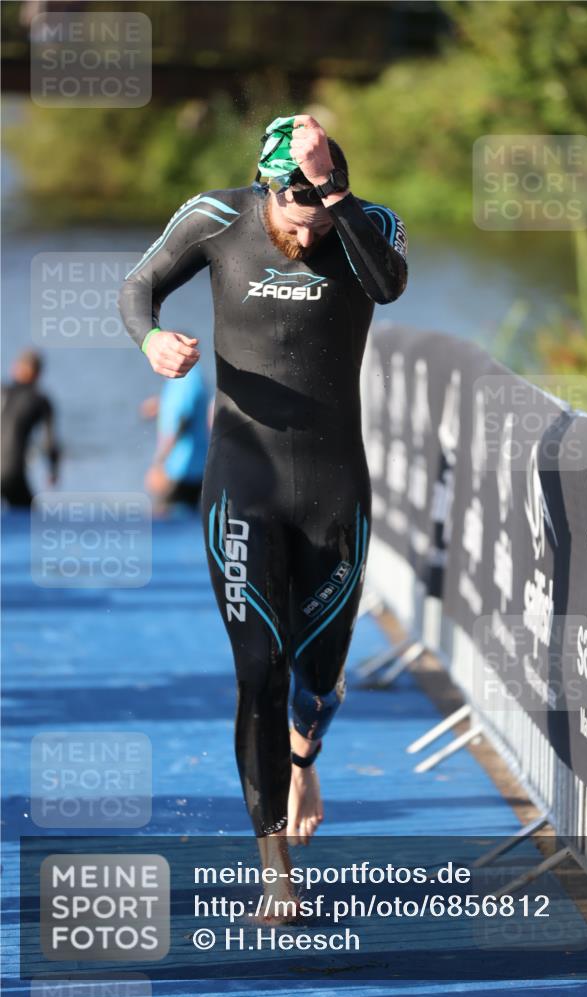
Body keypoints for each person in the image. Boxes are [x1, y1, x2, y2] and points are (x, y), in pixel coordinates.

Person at [119, 114, 407, 915]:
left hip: (333, 488)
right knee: (258, 672)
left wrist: (335, 200)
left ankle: (304, 757)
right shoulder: (214, 218)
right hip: (240, 483)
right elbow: (137, 286)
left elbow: (386, 284)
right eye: (291, 213)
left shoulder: (367, 227)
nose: (302, 231)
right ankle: (274, 871)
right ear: (264, 191)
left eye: (317, 213)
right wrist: (149, 342)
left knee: (315, 684)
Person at [140, 365, 209, 515]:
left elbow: (181, 423)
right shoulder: (190, 377)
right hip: (192, 466)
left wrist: (159, 464)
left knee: (162, 520)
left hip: (181, 469)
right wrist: (161, 404)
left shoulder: (185, 379)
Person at [1, 349, 60, 508]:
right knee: (31, 521)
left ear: (15, 368)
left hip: (10, 472)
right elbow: (49, 443)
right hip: (12, 473)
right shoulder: (40, 400)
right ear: (38, 374)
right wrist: (53, 470)